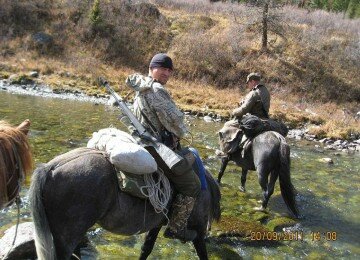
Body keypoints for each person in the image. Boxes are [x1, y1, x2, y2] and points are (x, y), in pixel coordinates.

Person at [125, 53, 201, 242]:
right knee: (193, 185)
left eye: (169, 70)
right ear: (152, 69)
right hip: (155, 147)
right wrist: (181, 131)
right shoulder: (157, 89)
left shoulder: (140, 87)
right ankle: (176, 229)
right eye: (163, 68)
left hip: (141, 140)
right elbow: (175, 120)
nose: (167, 73)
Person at [218, 73, 270, 155]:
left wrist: (234, 111)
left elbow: (244, 109)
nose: (247, 85)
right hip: (265, 119)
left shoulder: (254, 93)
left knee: (227, 125)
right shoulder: (265, 91)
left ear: (252, 81)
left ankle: (224, 152)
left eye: (248, 83)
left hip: (253, 119)